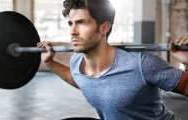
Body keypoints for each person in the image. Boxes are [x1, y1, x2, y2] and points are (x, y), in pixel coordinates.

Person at [37, 0, 188, 119]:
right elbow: (78, 79)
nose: (72, 32)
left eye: (82, 23)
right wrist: (50, 62)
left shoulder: (141, 64)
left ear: (104, 28)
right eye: (71, 23)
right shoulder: (77, 63)